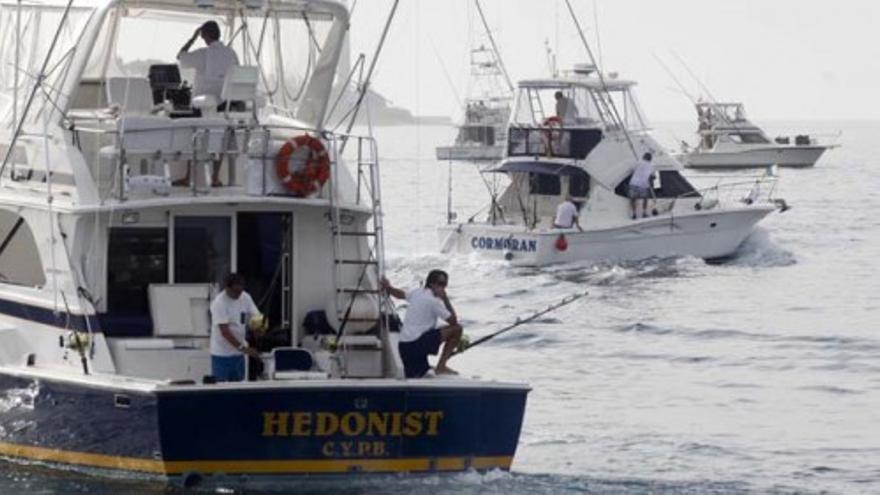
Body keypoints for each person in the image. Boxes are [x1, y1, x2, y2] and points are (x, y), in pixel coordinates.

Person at [175, 21, 240, 187]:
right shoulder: (231, 53)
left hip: (202, 105)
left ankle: (188, 176)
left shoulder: (203, 53)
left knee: (193, 137)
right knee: (221, 139)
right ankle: (216, 177)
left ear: (204, 35)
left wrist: (192, 38)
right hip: (225, 104)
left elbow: (180, 56)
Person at [381, 270, 463, 378]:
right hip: (417, 345)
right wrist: (445, 299)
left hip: (404, 347)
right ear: (432, 284)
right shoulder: (433, 301)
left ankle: (428, 368)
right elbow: (453, 321)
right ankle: (441, 366)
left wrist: (389, 288)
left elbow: (401, 295)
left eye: (445, 285)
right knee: (457, 329)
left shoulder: (418, 292)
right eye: (441, 284)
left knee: (419, 374)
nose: (443, 288)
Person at [210, 273, 264, 382]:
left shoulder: (245, 297)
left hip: (238, 355)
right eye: (235, 292)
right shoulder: (219, 303)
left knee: (239, 384)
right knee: (222, 387)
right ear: (227, 288)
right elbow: (225, 332)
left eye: (240, 291)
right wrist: (244, 349)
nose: (238, 295)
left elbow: (256, 315)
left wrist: (258, 328)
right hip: (222, 354)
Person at [628, 152, 655, 220]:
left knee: (633, 199)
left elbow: (632, 169)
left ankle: (634, 214)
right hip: (643, 185)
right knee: (645, 198)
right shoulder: (651, 165)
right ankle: (644, 212)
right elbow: (653, 176)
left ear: (644, 157)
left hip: (633, 183)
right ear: (650, 159)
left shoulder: (638, 162)